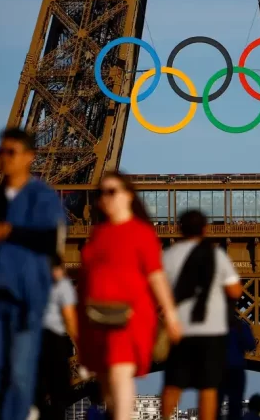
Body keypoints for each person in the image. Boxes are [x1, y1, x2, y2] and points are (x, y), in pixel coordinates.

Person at [0, 127, 66, 420]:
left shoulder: (42, 197)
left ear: (29, 156)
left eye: (11, 152)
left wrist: (10, 231)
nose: (4, 158)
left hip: (25, 297)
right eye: (0, 151)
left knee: (20, 372)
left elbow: (51, 240)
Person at [77, 171, 181, 420]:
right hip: (96, 315)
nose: (105, 198)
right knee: (106, 380)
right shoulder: (99, 233)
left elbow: (156, 276)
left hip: (129, 315)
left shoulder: (141, 232)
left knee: (119, 372)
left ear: (129, 195)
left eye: (112, 191)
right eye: (100, 193)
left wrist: (171, 314)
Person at [161, 210, 242, 420]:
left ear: (179, 228)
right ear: (205, 229)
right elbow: (235, 291)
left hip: (180, 328)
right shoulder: (216, 255)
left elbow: (157, 289)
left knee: (173, 383)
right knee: (208, 386)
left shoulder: (168, 256)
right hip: (211, 329)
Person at [34, 265, 78, 420]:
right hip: (55, 341)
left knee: (38, 392)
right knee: (59, 393)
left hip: (33, 341)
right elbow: (70, 319)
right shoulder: (63, 285)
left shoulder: (28, 278)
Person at [217, 303, 256, 420]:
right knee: (235, 405)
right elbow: (250, 345)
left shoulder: (215, 328)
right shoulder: (241, 326)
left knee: (215, 405)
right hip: (236, 369)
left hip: (219, 370)